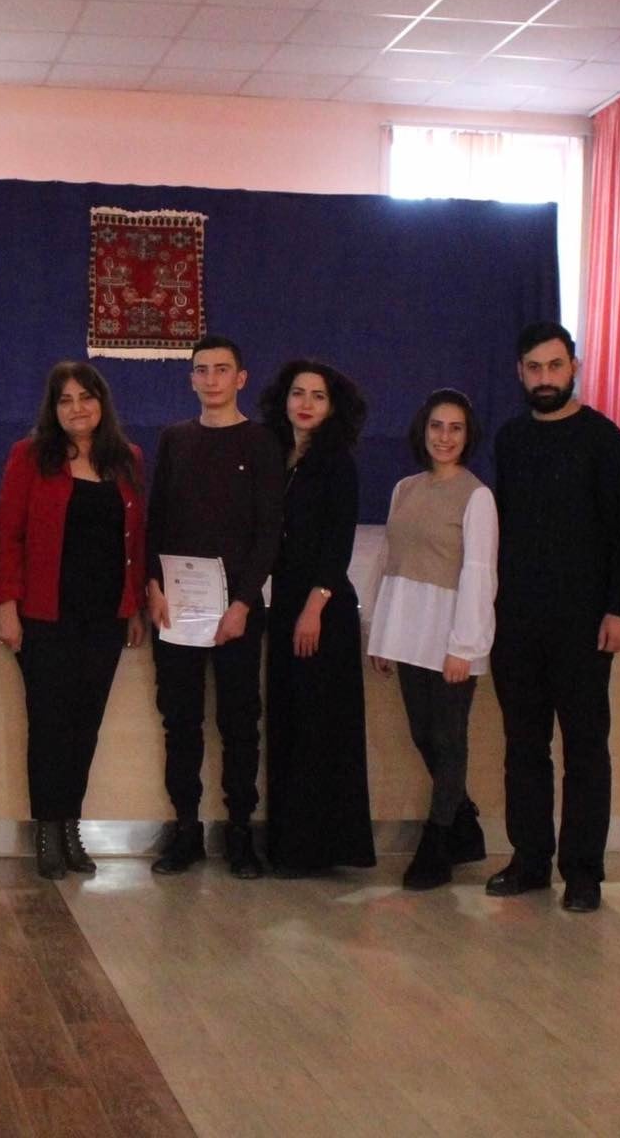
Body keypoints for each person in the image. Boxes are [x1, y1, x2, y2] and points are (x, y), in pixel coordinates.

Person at [487, 322, 620, 912]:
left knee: (585, 749)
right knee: (523, 746)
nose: (545, 378)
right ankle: (530, 860)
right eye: (534, 368)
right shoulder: (510, 439)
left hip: (584, 626)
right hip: (517, 623)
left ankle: (583, 872)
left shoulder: (604, 440)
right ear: (520, 373)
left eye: (555, 366)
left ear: (574, 367)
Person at [0, 361, 147, 880]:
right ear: (52, 409)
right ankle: (47, 829)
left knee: (85, 727)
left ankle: (71, 826)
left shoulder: (127, 459)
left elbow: (136, 539)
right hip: (45, 616)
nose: (77, 408)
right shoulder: (29, 456)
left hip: (105, 618)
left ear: (102, 402)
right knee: (50, 726)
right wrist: (7, 605)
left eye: (86, 396)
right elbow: (9, 534)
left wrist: (133, 606)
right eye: (65, 400)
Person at [145, 335, 284, 879]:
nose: (211, 379)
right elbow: (157, 518)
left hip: (237, 611)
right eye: (201, 370)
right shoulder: (175, 439)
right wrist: (154, 586)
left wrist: (244, 602)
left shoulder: (262, 442)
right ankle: (186, 830)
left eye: (222, 369)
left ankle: (240, 833)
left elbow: (269, 531)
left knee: (239, 723)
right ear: (191, 379)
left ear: (241, 378)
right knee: (180, 721)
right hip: (178, 608)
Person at [368, 390, 496, 891]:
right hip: (406, 631)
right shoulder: (404, 488)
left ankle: (438, 841)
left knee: (448, 738)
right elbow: (388, 561)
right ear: (423, 431)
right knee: (423, 734)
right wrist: (380, 631)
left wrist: (465, 645)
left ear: (468, 436)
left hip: (449, 635)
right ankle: (464, 823)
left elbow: (480, 573)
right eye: (437, 426)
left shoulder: (477, 496)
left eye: (455, 428)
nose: (445, 437)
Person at [259, 359, 376, 877]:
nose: (305, 404)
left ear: (333, 408)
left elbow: (337, 545)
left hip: (323, 613)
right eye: (298, 393)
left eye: (318, 396)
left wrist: (313, 607)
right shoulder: (277, 457)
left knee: (319, 731)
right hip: (286, 606)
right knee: (288, 724)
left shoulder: (337, 463)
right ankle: (288, 844)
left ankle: (318, 849)